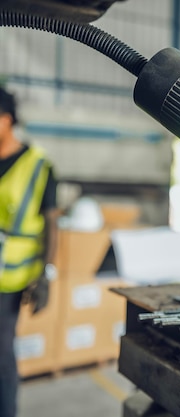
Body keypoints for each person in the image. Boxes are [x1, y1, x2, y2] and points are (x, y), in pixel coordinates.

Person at [0, 86, 58, 417]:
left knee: (1, 355)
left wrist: (47, 274)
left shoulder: (38, 166)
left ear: (6, 120)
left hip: (9, 280)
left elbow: (52, 224)